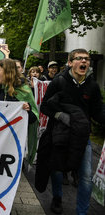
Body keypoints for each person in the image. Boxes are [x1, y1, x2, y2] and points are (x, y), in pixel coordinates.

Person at [37, 49, 105, 214]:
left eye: (87, 59)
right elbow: (45, 106)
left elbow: (98, 112)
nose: (84, 62)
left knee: (86, 176)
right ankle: (57, 198)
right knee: (58, 171)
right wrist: (60, 115)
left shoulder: (92, 86)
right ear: (70, 62)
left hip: (82, 138)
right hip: (59, 136)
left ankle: (82, 211)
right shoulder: (59, 82)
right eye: (79, 58)